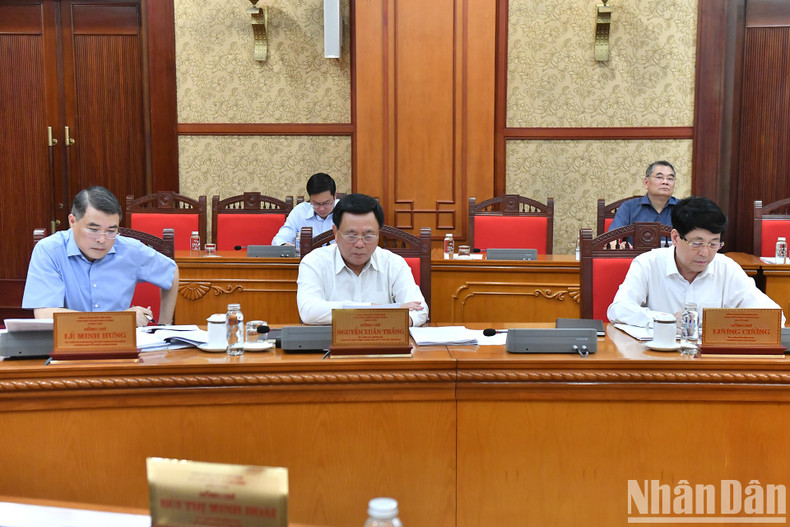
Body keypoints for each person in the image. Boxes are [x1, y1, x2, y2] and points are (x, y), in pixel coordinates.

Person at [607, 196, 783, 327]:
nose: (705, 252)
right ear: (675, 237)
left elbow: (774, 316)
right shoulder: (648, 264)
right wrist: (663, 319)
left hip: (711, 367)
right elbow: (619, 309)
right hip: (658, 362)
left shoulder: (726, 268)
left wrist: (732, 323)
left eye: (714, 243)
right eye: (696, 243)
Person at [22, 186, 179, 327]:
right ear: (72, 221)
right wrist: (121, 319)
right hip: (66, 347)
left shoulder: (130, 250)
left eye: (111, 231)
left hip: (119, 348)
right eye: (93, 229)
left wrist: (164, 327)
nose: (102, 240)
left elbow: (171, 272)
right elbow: (45, 315)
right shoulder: (49, 251)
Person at [296, 193, 428, 326]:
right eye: (351, 235)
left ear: (378, 233)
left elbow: (419, 309)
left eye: (368, 236)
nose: (360, 244)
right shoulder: (314, 262)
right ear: (336, 233)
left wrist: (402, 319)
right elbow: (309, 311)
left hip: (383, 343)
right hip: (328, 344)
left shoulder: (394, 263)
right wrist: (377, 309)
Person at [608, 161, 679, 232]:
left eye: (670, 178)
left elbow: (689, 241)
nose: (665, 182)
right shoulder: (628, 207)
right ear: (646, 182)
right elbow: (611, 241)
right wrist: (620, 243)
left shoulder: (684, 208)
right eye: (659, 177)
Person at [271, 172, 338, 246]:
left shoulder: (345, 211)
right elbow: (279, 240)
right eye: (316, 203)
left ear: (335, 196)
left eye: (326, 203)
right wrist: (285, 246)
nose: (321, 209)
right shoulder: (300, 212)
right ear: (310, 198)